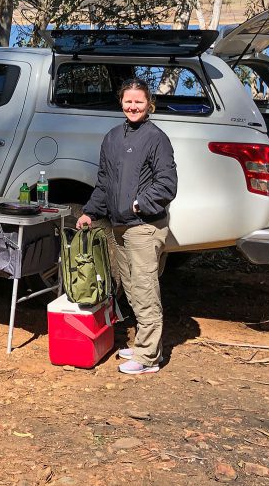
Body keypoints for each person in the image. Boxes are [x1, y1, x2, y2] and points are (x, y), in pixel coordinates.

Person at [76, 77, 177, 375]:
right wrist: (90, 213)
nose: (133, 106)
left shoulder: (156, 138)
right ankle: (144, 344)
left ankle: (149, 358)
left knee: (145, 289)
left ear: (149, 104)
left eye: (139, 102)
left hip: (144, 226)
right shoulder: (112, 137)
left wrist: (138, 204)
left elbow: (166, 184)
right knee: (131, 288)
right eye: (128, 101)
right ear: (121, 102)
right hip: (119, 226)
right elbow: (104, 182)